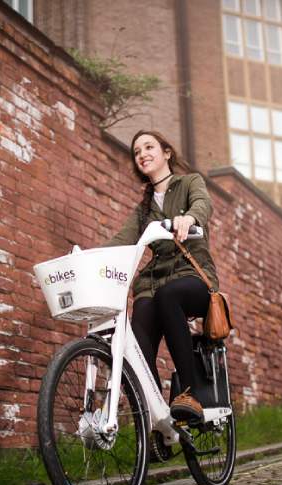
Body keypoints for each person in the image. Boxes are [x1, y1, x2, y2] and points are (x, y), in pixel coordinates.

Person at [103, 130, 219, 421]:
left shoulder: (190, 182)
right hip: (152, 282)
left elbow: (203, 205)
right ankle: (158, 421)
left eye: (149, 147)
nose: (142, 154)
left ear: (166, 152)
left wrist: (189, 218)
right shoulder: (143, 210)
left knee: (170, 295)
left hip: (192, 275)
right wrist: (86, 256)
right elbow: (121, 240)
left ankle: (189, 394)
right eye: (137, 151)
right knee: (138, 341)